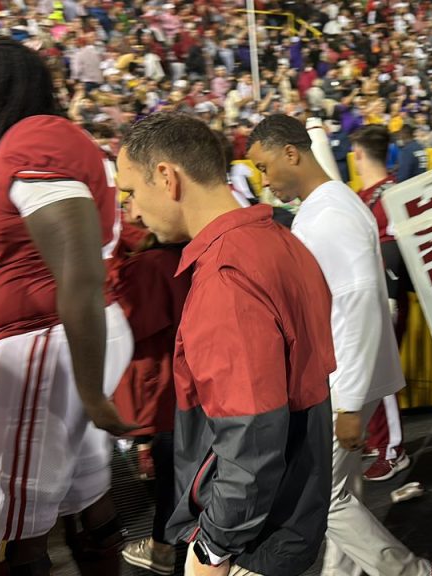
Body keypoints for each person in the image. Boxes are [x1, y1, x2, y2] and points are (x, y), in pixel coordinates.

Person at [118, 112, 336, 576]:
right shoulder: (280, 239)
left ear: (166, 178)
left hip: (254, 540)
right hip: (288, 514)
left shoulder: (226, 274)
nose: (132, 211)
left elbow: (251, 434)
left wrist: (214, 546)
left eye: (131, 193)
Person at [247, 114, 432, 576]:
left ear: (291, 154)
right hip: (346, 375)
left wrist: (350, 405)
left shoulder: (328, 214)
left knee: (321, 497)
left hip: (341, 382)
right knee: (344, 491)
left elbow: (356, 306)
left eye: (263, 167)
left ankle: (412, 572)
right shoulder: (332, 202)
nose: (263, 180)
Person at [0, 38, 134, 576]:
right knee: (85, 495)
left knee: (12, 522)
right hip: (67, 336)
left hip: (48, 337)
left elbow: (79, 270)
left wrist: (88, 388)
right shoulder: (50, 136)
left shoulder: (35, 138)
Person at [111, 200, 191, 576]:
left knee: (171, 475)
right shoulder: (193, 252)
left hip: (166, 390)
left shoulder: (150, 265)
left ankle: (164, 548)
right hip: (194, 385)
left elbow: (130, 325)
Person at [350, 124, 412, 482]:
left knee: (381, 375)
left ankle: (394, 450)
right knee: (367, 373)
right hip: (368, 298)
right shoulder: (375, 195)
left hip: (385, 297)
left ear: (358, 154)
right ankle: (380, 440)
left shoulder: (387, 196)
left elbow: (395, 252)